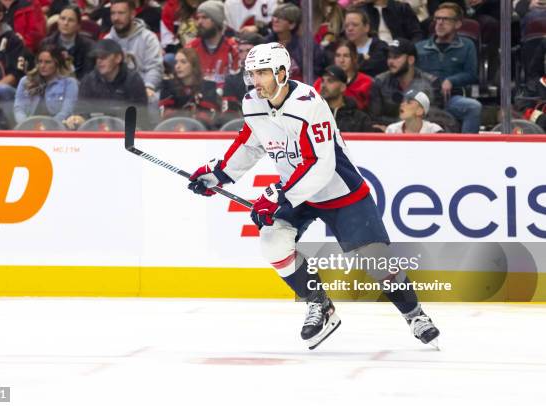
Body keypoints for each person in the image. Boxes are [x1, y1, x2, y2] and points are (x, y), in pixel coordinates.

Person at [187, 42, 440, 350]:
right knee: (272, 242)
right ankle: (320, 305)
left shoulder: (308, 102)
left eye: (263, 73)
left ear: (282, 72)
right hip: (297, 193)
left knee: (376, 260)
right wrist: (218, 173)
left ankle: (414, 315)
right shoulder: (253, 102)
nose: (256, 81)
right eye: (252, 73)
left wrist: (279, 195)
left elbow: (320, 165)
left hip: (338, 189)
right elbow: (251, 142)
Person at [415, 2, 482, 133]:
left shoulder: (467, 45)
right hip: (424, 98)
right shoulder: (420, 47)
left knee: (474, 107)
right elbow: (413, 74)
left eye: (446, 19)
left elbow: (471, 74)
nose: (440, 23)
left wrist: (452, 80)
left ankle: (469, 148)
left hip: (451, 98)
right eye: (437, 19)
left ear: (458, 24)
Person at [66, 39, 149, 129]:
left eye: (104, 57)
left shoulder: (133, 80)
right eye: (97, 58)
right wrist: (78, 118)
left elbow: (140, 115)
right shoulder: (88, 80)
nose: (99, 61)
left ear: (118, 58)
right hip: (95, 132)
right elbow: (81, 110)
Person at [369, 38, 442, 130]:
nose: (390, 62)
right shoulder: (380, 81)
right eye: (389, 57)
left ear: (411, 60)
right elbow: (375, 117)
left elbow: (434, 118)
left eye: (396, 57)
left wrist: (394, 127)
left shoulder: (431, 83)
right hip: (389, 136)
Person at [105, 0, 163, 97]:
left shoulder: (148, 38)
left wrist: (148, 87)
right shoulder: (107, 40)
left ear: (132, 14)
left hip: (143, 92)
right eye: (113, 13)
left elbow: (155, 67)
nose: (116, 18)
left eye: (121, 13)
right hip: (114, 94)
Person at [13, 44, 78, 125]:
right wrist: (26, 125)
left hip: (57, 128)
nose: (42, 66)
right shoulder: (25, 81)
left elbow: (66, 112)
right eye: (40, 61)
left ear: (57, 63)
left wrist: (47, 126)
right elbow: (19, 109)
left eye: (48, 62)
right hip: (29, 128)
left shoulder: (69, 83)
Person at [159, 48, 220, 128]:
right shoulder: (168, 85)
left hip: (202, 134)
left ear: (194, 65)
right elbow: (165, 114)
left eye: (183, 62)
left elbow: (209, 117)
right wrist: (191, 113)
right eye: (176, 62)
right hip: (173, 132)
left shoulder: (208, 86)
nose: (177, 66)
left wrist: (181, 114)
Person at [186, 0, 240, 89]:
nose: (199, 22)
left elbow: (237, 82)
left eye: (204, 17)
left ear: (216, 21)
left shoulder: (233, 48)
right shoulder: (190, 48)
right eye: (198, 18)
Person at [265, 3, 326, 81]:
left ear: (292, 24)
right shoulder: (265, 43)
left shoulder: (307, 46)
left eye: (281, 18)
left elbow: (315, 74)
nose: (275, 20)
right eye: (275, 16)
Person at [314, 40, 374, 111]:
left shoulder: (366, 82)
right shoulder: (321, 82)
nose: (341, 60)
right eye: (338, 56)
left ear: (355, 58)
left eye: (346, 56)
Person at [41, 4, 95, 80]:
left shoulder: (89, 46)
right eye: (62, 19)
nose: (65, 23)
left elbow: (88, 75)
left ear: (78, 25)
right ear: (58, 21)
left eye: (71, 20)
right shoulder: (46, 43)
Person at [221, 32, 265, 122]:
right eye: (241, 51)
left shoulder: (275, 78)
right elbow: (229, 115)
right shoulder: (232, 81)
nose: (245, 56)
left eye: (249, 51)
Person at [320, 65, 375, 132]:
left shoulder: (360, 119)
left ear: (343, 87)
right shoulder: (315, 115)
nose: (323, 85)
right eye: (322, 81)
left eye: (330, 81)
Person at [343, 7, 389, 77]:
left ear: (366, 27)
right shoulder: (343, 49)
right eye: (346, 26)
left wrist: (355, 62)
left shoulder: (381, 47)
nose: (350, 29)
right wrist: (363, 59)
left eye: (355, 25)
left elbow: (374, 69)